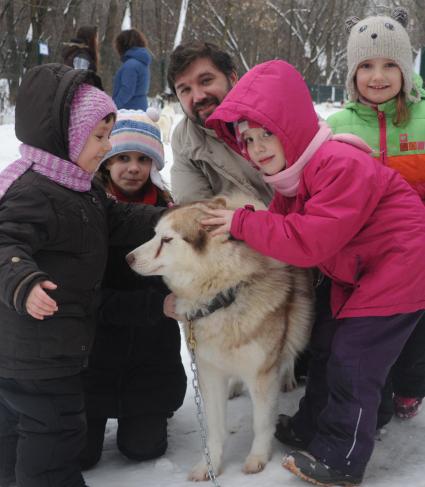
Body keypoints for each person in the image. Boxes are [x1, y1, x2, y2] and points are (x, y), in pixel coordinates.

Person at [201, 59, 425, 486]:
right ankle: (314, 424)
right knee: (324, 345)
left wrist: (243, 224)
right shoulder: (294, 179)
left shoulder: (338, 163)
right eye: (248, 138)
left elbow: (308, 241)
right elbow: (286, 233)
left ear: (294, 126)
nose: (259, 146)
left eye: (268, 132)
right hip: (362, 271)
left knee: (353, 360)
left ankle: (341, 458)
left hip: (400, 268)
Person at [0, 64, 166, 487]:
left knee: (20, 432)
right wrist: (24, 280)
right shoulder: (34, 191)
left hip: (44, 349)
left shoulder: (79, 185)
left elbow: (119, 217)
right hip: (37, 352)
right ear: (66, 138)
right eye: (99, 138)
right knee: (55, 438)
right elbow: (4, 244)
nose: (107, 147)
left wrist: (172, 219)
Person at [327, 8, 425, 422]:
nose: (378, 76)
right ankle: (374, 394)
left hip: (417, 250)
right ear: (353, 75)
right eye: (366, 66)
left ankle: (410, 386)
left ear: (405, 69)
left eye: (389, 65)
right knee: (368, 332)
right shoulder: (336, 126)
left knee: (415, 332)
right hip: (363, 252)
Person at [79, 109, 186, 469]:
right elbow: (85, 294)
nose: (133, 168)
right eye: (123, 157)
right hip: (94, 354)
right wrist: (151, 306)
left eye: (143, 159)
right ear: (106, 161)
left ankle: (148, 413)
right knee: (80, 456)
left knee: (143, 449)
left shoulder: (169, 216)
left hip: (150, 354)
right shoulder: (88, 210)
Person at [167, 41, 273, 205]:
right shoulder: (185, 139)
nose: (198, 97)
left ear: (233, 78)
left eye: (206, 81)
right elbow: (197, 211)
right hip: (239, 229)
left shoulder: (275, 108)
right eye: (185, 90)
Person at [113, 29, 152, 110]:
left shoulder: (130, 65)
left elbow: (127, 90)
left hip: (129, 111)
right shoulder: (141, 63)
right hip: (140, 107)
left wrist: (113, 106)